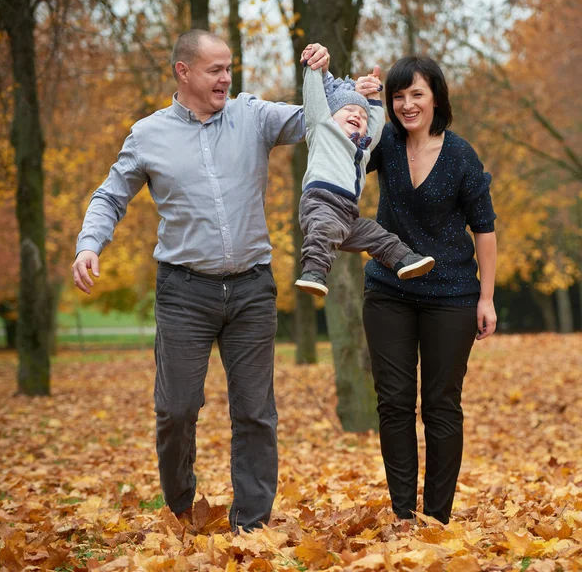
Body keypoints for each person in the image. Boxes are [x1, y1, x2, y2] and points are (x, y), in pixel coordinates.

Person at [71, 30, 331, 532]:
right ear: (183, 72)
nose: (226, 78)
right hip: (184, 293)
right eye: (215, 69)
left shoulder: (252, 115)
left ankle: (251, 526)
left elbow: (313, 121)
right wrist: (89, 244)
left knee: (256, 412)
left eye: (229, 68)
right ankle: (180, 508)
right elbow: (110, 195)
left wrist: (322, 77)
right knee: (176, 409)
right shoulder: (148, 134)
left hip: (252, 288)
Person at [355, 56, 497, 525]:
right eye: (399, 96)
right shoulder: (388, 143)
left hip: (452, 296)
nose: (407, 104)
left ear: (436, 95)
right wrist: (362, 101)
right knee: (394, 402)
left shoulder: (460, 155)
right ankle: (402, 515)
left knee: (441, 405)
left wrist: (487, 297)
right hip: (388, 290)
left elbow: (485, 230)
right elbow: (349, 148)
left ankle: (436, 518)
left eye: (416, 94)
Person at [295, 64, 435, 297]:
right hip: (321, 203)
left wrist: (373, 97)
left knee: (375, 233)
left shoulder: (363, 147)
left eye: (361, 115)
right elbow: (313, 98)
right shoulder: (321, 127)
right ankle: (313, 272)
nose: (357, 116)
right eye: (349, 109)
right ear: (330, 114)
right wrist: (313, 68)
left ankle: (404, 260)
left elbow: (376, 124)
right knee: (323, 230)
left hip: (348, 214)